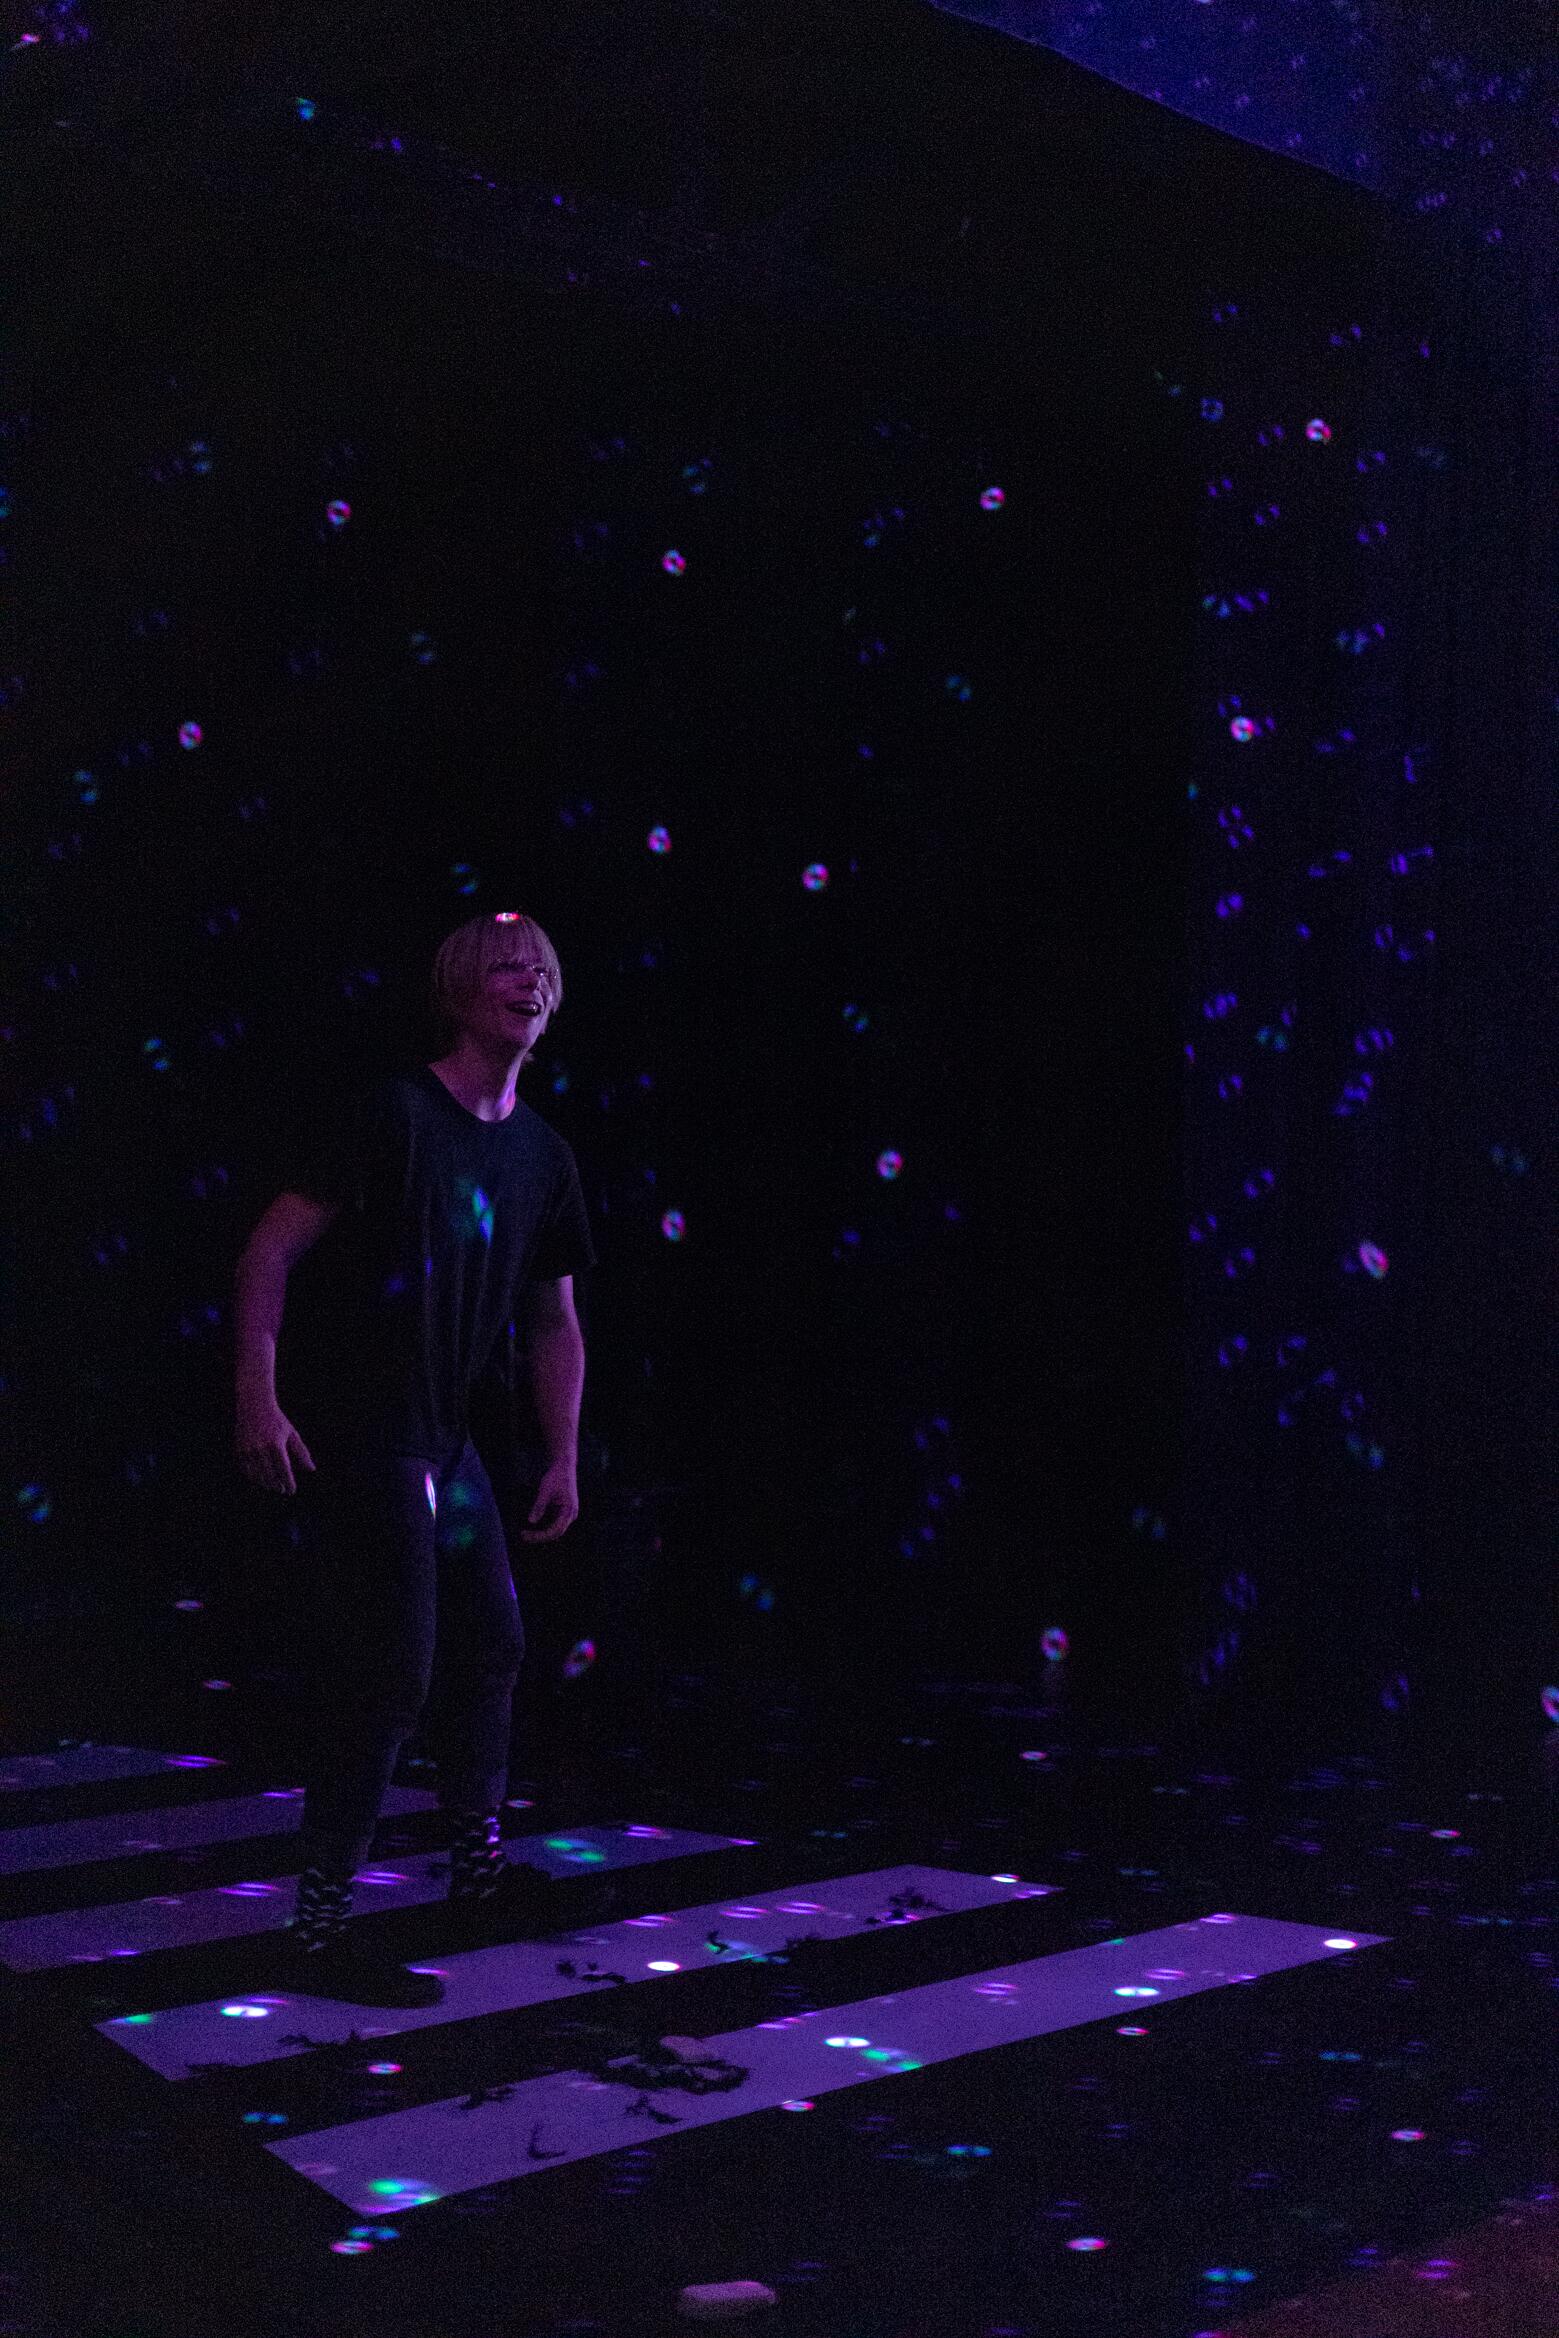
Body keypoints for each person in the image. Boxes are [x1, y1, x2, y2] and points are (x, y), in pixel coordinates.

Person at [232, 912, 597, 2004]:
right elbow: (270, 1248)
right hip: (369, 1431)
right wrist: (257, 1394)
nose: (527, 980)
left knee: (494, 1644)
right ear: (457, 989)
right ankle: (317, 1929)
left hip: (447, 1439)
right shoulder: (394, 1113)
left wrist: (562, 1453)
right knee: (393, 1672)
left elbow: (554, 1320)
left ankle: (476, 1877)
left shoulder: (542, 1154)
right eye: (505, 965)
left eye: (541, 968)